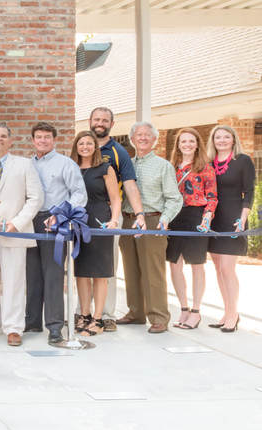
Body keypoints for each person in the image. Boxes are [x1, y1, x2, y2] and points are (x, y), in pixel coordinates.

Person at [0, 123, 43, 347]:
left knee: (14, 281)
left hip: (15, 233)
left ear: (10, 141)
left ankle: (13, 328)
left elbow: (35, 198)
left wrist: (17, 223)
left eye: (3, 136)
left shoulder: (24, 165)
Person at [116, 121, 182, 333]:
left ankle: (159, 317)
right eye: (138, 135)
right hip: (128, 220)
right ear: (132, 139)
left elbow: (174, 198)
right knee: (131, 268)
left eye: (147, 135)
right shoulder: (126, 164)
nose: (142, 138)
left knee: (153, 271)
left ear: (154, 140)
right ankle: (136, 312)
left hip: (154, 221)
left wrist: (166, 218)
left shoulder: (163, 166)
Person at [24, 122, 87, 344]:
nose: (42, 140)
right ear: (32, 140)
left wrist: (61, 215)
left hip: (53, 221)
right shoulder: (26, 164)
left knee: (53, 275)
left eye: (47, 137)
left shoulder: (65, 164)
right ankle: (31, 322)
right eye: (38, 137)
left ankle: (54, 327)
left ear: (54, 140)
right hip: (30, 221)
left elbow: (80, 194)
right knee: (31, 273)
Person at [88, 107, 144, 331]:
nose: (99, 123)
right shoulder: (81, 146)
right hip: (82, 214)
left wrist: (139, 213)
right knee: (81, 264)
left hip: (110, 215)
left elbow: (130, 185)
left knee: (107, 265)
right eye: (96, 119)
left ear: (112, 124)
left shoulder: (119, 152)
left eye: (104, 120)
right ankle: (81, 312)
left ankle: (107, 314)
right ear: (90, 121)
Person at [70, 131, 121, 337]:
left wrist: (114, 220)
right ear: (76, 147)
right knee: (81, 273)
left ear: (95, 146)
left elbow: (115, 199)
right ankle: (84, 315)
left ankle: (98, 319)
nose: (85, 147)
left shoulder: (105, 168)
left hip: (100, 221)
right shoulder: (71, 168)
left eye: (89, 143)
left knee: (100, 274)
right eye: (81, 143)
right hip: (78, 222)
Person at [166, 128, 217, 330]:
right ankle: (183, 308)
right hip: (175, 217)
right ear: (178, 145)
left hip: (196, 216)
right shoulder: (171, 168)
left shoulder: (205, 167)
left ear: (197, 144)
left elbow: (212, 197)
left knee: (197, 265)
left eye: (191, 141)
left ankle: (196, 311)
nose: (187, 144)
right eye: (183, 141)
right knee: (174, 264)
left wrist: (206, 218)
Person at [206, 125, 255, 333]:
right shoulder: (208, 163)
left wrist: (243, 218)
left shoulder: (243, 160)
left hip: (234, 218)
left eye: (227, 137)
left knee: (227, 268)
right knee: (218, 268)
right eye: (218, 137)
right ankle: (227, 312)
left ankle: (233, 314)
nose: (222, 140)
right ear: (213, 140)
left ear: (234, 140)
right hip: (214, 218)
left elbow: (249, 191)